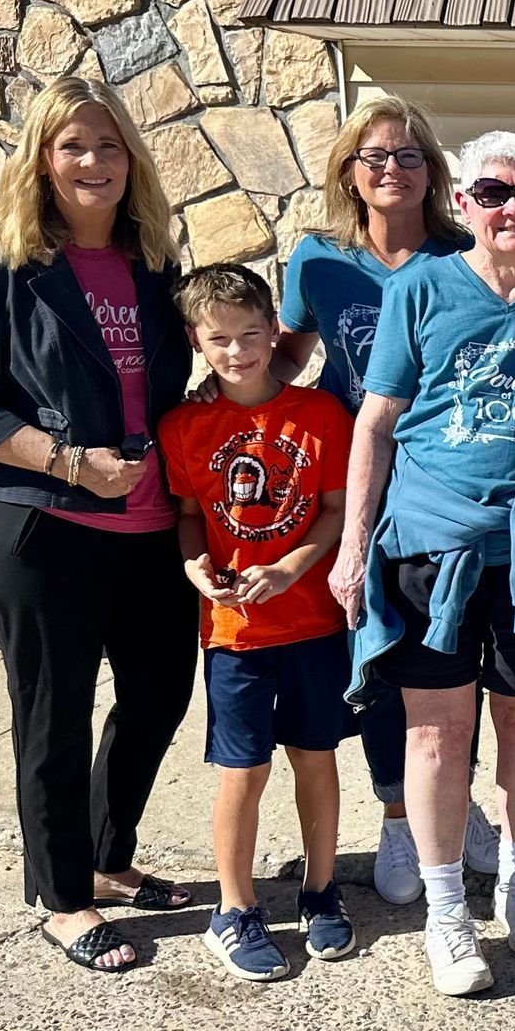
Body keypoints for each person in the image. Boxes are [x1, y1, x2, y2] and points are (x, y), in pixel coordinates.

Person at [328, 131, 515, 996]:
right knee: (434, 731)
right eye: (494, 194)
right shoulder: (420, 288)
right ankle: (446, 908)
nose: (513, 210)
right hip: (429, 547)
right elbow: (376, 422)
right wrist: (352, 549)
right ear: (464, 205)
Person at [0, 76, 196, 973]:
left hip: (150, 529)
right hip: (44, 527)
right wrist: (67, 461)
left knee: (158, 694)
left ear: (132, 161)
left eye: (110, 146)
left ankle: (109, 858)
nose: (94, 162)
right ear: (43, 158)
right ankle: (63, 896)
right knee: (53, 714)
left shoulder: (154, 265)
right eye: (74, 145)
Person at [277, 95, 496, 904]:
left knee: (448, 652)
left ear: (433, 173)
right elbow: (292, 352)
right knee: (375, 650)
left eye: (409, 156)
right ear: (349, 173)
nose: (393, 169)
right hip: (356, 478)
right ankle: (399, 817)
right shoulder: (318, 260)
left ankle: (456, 798)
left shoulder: (460, 252)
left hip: (445, 479)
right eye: (375, 157)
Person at [160, 265, 357, 982]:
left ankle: (321, 889)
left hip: (312, 622)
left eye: (250, 335)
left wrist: (291, 569)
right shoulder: (184, 426)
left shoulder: (321, 415)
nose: (238, 352)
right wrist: (193, 567)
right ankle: (234, 909)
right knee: (242, 770)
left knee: (316, 756)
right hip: (234, 633)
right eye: (220, 339)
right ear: (196, 342)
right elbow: (187, 519)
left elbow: (334, 510)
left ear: (275, 330)